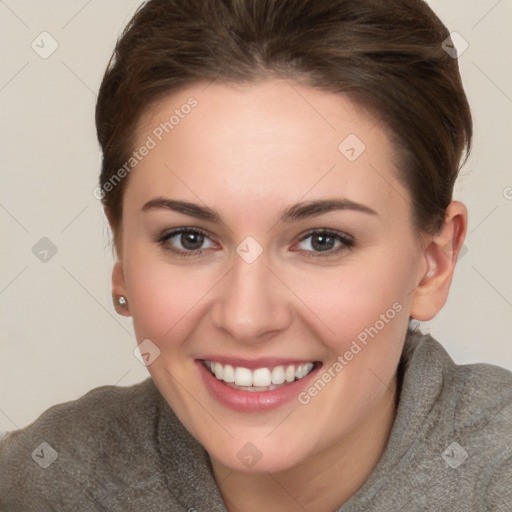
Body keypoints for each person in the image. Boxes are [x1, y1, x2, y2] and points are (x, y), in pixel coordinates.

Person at [1, 0, 511, 510]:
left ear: (434, 263)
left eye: (322, 240)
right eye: (189, 238)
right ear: (122, 259)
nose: (246, 319)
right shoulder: (44, 483)